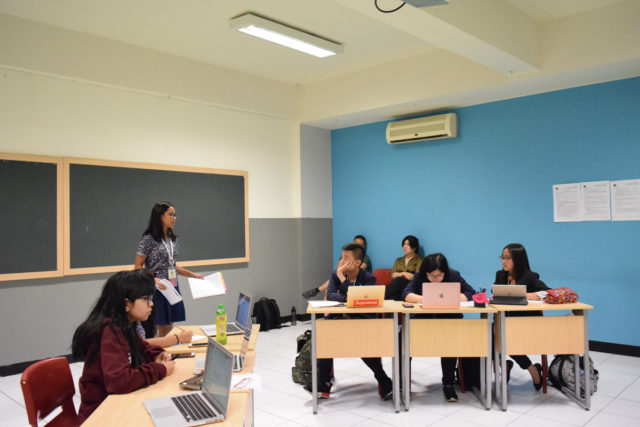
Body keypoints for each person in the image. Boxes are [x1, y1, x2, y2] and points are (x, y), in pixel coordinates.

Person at [71, 270, 175, 422]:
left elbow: (140, 346)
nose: (151, 304)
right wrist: (160, 369)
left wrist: (156, 354)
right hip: (101, 415)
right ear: (126, 303)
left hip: (114, 405)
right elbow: (118, 381)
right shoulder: (110, 331)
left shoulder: (123, 324)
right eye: (146, 299)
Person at [304, 243, 393, 401]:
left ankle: (384, 381)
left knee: (362, 345)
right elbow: (331, 295)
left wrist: (342, 280)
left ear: (357, 262)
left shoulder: (368, 278)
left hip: (362, 321)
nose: (341, 261)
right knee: (325, 340)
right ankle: (323, 385)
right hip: (339, 318)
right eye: (342, 257)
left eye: (346, 258)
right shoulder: (335, 274)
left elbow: (361, 298)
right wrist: (347, 296)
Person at [401, 253, 475, 402]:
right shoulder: (420, 276)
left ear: (445, 272)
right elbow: (406, 294)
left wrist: (452, 297)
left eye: (439, 276)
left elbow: (470, 293)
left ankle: (448, 384)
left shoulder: (453, 275)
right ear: (426, 272)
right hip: (422, 323)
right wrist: (427, 298)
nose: (435, 279)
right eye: (431, 276)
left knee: (450, 343)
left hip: (448, 323)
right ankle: (402, 383)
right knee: (403, 341)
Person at [134, 202, 204, 338]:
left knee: (168, 328)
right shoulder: (148, 239)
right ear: (160, 216)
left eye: (175, 215)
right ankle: (153, 349)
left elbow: (172, 265)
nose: (174, 218)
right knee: (153, 328)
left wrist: (192, 275)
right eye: (170, 214)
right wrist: (154, 280)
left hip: (172, 286)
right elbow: (138, 266)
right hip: (156, 288)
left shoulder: (173, 239)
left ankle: (164, 349)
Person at [495, 243, 550, 390]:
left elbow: (547, 292)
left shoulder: (530, 277)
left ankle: (532, 369)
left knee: (507, 340)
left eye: (508, 258)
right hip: (504, 322)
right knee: (490, 337)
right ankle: (505, 364)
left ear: (518, 259)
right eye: (502, 257)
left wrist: (525, 295)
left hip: (526, 324)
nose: (504, 261)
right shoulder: (500, 275)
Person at [302, 234, 372, 299]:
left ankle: (317, 290)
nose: (358, 245)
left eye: (361, 244)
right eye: (356, 243)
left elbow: (356, 270)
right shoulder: (344, 258)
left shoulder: (365, 259)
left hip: (355, 284)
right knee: (328, 290)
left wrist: (341, 273)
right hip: (343, 280)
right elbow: (338, 270)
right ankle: (319, 294)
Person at [385, 235, 422, 300]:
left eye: (408, 244)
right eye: (404, 244)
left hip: (410, 286)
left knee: (399, 280)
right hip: (397, 287)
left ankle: (380, 297)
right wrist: (403, 274)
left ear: (414, 247)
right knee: (392, 297)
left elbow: (417, 277)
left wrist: (398, 275)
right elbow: (392, 275)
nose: (405, 246)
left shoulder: (419, 260)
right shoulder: (399, 260)